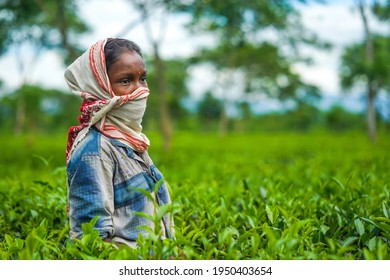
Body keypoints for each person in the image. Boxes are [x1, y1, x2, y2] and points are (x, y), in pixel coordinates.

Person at [64, 38, 174, 248]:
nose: (139, 89)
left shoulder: (131, 141)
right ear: (100, 87)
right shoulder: (95, 151)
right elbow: (91, 241)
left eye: (142, 79)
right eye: (125, 81)